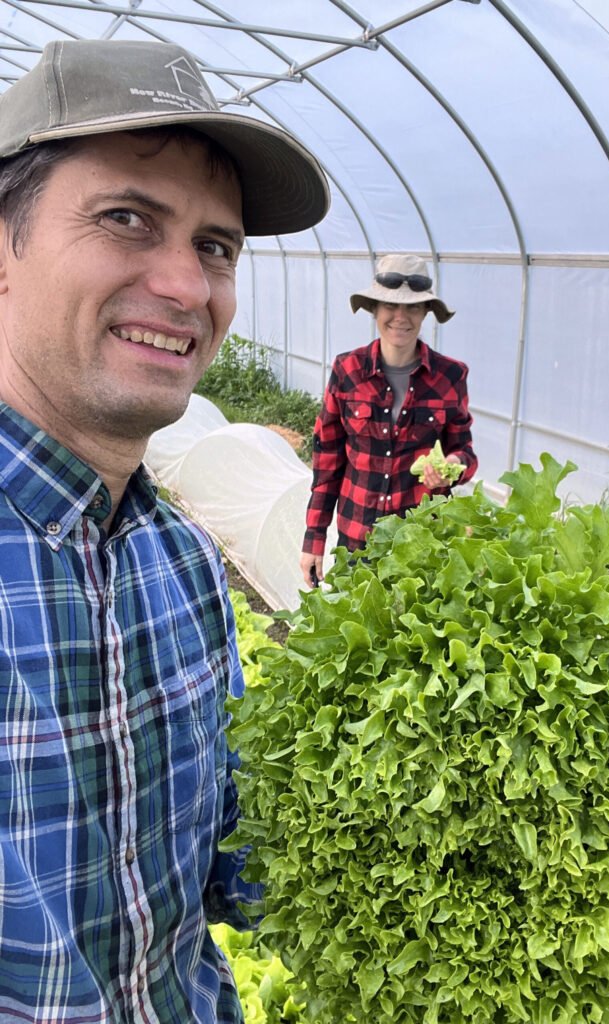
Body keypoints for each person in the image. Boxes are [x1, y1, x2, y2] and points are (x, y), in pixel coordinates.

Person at [0, 38, 328, 1023]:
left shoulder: (181, 560)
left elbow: (231, 864)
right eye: (125, 219)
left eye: (216, 247)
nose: (188, 288)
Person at [300, 254, 477, 587]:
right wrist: (314, 538)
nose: (400, 317)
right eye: (390, 306)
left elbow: (465, 451)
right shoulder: (347, 370)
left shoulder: (451, 375)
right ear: (374, 310)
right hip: (356, 540)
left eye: (412, 308)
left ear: (426, 313)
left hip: (421, 541)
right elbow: (328, 463)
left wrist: (451, 465)